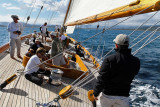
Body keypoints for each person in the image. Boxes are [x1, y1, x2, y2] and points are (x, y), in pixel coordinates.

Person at [93, 34, 140, 107]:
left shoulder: (109, 59)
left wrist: (95, 93)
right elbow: (134, 73)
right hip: (124, 97)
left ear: (117, 46)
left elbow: (102, 78)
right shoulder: (136, 61)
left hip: (108, 96)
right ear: (128, 45)